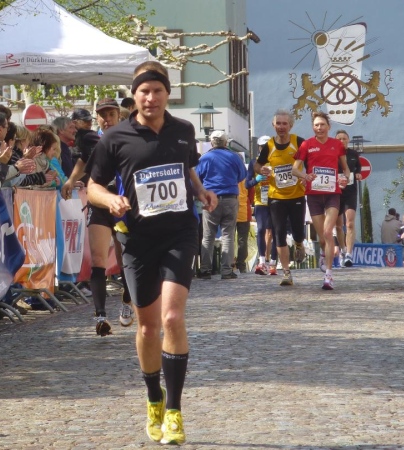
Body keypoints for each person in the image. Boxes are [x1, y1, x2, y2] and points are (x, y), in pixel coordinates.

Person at [87, 60, 217, 445]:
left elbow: (188, 168)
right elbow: (93, 187)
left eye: (157, 90)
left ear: (167, 94)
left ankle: (174, 411)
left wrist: (201, 191)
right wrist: (110, 200)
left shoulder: (183, 130)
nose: (150, 98)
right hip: (138, 239)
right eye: (144, 91)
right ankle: (154, 399)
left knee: (172, 317)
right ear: (135, 95)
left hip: (179, 232)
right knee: (147, 327)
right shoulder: (115, 137)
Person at [61, 101, 135, 337]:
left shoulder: (130, 138)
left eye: (111, 114)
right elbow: (84, 160)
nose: (107, 119)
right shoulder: (94, 140)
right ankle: (100, 316)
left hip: (123, 204)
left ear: (119, 116)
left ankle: (128, 299)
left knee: (126, 258)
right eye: (102, 116)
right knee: (98, 259)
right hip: (99, 202)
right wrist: (71, 180)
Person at [292, 111, 349, 290]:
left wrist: (345, 178)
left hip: (332, 193)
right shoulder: (307, 145)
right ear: (313, 127)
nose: (319, 128)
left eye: (322, 124)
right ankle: (325, 253)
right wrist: (305, 175)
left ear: (328, 127)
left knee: (327, 232)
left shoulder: (337, 145)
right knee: (322, 238)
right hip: (314, 195)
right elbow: (295, 169)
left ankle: (329, 275)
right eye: (316, 125)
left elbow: (346, 169)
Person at [254, 109, 307, 287]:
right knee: (279, 233)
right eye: (278, 123)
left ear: (290, 125)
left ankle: (299, 243)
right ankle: (286, 273)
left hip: (297, 195)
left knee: (298, 231)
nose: (281, 127)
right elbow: (257, 165)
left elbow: (310, 161)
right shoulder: (269, 145)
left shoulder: (298, 142)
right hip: (276, 196)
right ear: (273, 125)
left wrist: (306, 177)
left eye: (285, 123)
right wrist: (261, 170)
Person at [196, 130, 246, 280]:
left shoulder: (205, 158)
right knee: (228, 235)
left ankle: (205, 270)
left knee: (208, 236)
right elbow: (242, 175)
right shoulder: (234, 156)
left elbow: (197, 178)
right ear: (226, 143)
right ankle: (226, 270)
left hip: (211, 199)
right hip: (230, 198)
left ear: (211, 143)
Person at [246, 136, 277, 276]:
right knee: (260, 229)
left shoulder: (276, 160)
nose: (264, 149)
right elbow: (247, 184)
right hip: (260, 201)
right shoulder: (254, 163)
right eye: (262, 147)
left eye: (267, 147)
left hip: (276, 199)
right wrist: (256, 180)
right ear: (258, 148)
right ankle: (262, 261)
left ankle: (273, 263)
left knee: (275, 232)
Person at [334, 129, 362, 268]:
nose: (342, 141)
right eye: (339, 139)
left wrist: (358, 174)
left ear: (348, 140)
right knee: (338, 226)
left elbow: (358, 168)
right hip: (336, 193)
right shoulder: (332, 153)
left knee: (350, 223)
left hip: (350, 192)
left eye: (344, 138)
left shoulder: (353, 154)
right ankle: (343, 251)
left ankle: (350, 254)